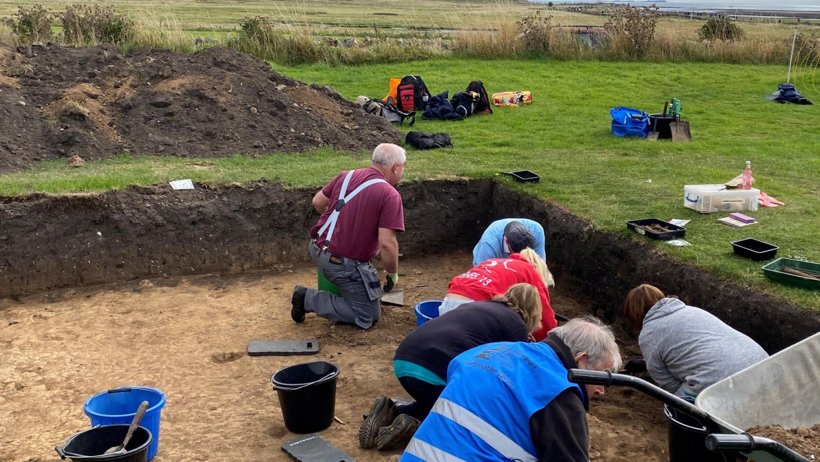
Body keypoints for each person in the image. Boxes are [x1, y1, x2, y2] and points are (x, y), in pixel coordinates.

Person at [399, 317, 622, 462]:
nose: (602, 390)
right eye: (602, 376)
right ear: (580, 360)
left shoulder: (488, 351)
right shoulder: (558, 393)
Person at [359, 283, 544, 451]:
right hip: (434, 369)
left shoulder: (480, 305)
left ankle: (392, 411)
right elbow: (511, 373)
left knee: (435, 400)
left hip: (404, 361)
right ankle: (415, 424)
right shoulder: (516, 325)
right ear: (533, 310)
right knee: (464, 414)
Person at [291, 143, 406, 329]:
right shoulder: (389, 194)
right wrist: (392, 273)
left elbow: (318, 202)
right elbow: (387, 243)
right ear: (396, 168)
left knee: (359, 283)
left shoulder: (346, 176)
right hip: (340, 262)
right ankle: (307, 299)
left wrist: (340, 226)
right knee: (367, 314)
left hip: (317, 247)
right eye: (403, 168)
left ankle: (342, 288)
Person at [623, 284, 769, 398]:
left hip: (717, 381)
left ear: (634, 315)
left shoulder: (648, 334)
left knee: (675, 408)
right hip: (762, 364)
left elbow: (669, 386)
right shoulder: (693, 311)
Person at [442, 248, 556, 341]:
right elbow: (545, 318)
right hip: (475, 307)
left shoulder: (495, 262)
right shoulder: (530, 270)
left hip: (448, 301)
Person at [472, 218, 546, 266]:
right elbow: (483, 276)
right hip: (491, 263)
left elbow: (539, 269)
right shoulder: (489, 246)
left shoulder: (537, 231)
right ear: (507, 241)